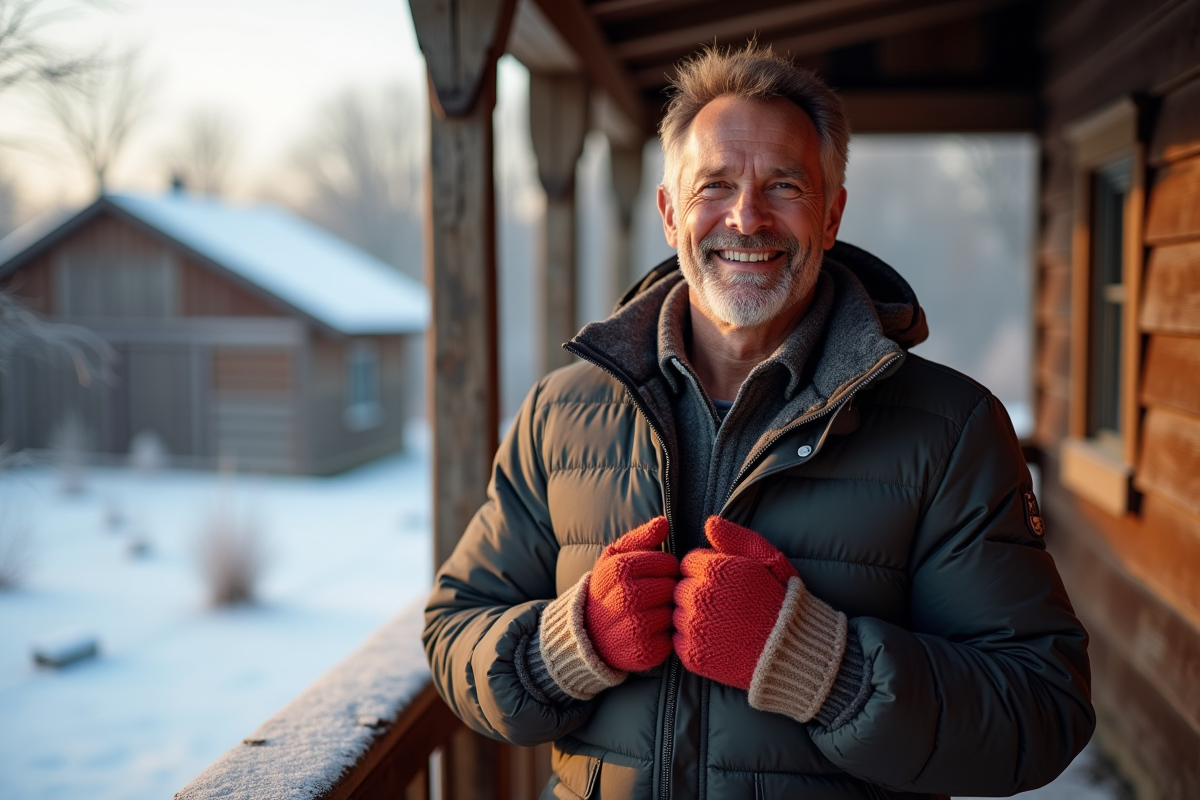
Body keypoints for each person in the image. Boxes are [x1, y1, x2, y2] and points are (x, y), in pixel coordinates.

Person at [424, 43, 1094, 800]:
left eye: (784, 185)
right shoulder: (561, 411)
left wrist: (822, 668)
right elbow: (454, 630)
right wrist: (566, 648)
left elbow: (1043, 712)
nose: (747, 217)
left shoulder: (951, 429)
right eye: (715, 185)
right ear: (671, 211)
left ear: (832, 213)